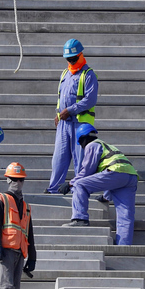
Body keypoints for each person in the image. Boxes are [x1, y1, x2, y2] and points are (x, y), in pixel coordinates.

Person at [58, 124, 138, 246]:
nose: (83, 147)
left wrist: (70, 184)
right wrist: (106, 196)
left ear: (83, 139)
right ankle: (124, 246)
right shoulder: (108, 146)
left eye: (81, 143)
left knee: (80, 184)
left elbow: (87, 170)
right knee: (125, 216)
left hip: (115, 173)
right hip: (130, 176)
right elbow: (111, 174)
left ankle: (80, 218)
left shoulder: (92, 145)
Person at [46, 38, 99, 194]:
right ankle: (53, 189)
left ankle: (80, 191)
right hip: (64, 124)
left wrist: (70, 110)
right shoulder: (65, 73)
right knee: (59, 159)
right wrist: (58, 113)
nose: (71, 61)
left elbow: (90, 100)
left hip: (80, 125)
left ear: (81, 55)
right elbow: (60, 97)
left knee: (81, 161)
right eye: (68, 58)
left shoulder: (88, 74)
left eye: (73, 58)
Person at [0, 162, 37, 289]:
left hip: (20, 251)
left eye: (20, 180)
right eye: (14, 179)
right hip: (6, 250)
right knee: (7, 285)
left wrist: (32, 257)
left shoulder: (26, 206)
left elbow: (29, 233)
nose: (17, 183)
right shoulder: (2, 199)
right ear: (8, 180)